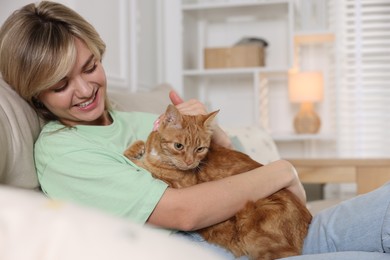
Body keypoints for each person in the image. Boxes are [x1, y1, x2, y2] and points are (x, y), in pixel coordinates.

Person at [0, 2, 388, 259]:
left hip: (276, 225)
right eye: (60, 84)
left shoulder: (138, 120)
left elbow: (246, 177)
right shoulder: (62, 151)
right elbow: (184, 213)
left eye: (89, 67)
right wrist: (282, 170)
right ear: (36, 94)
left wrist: (215, 137)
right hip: (228, 248)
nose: (85, 90)